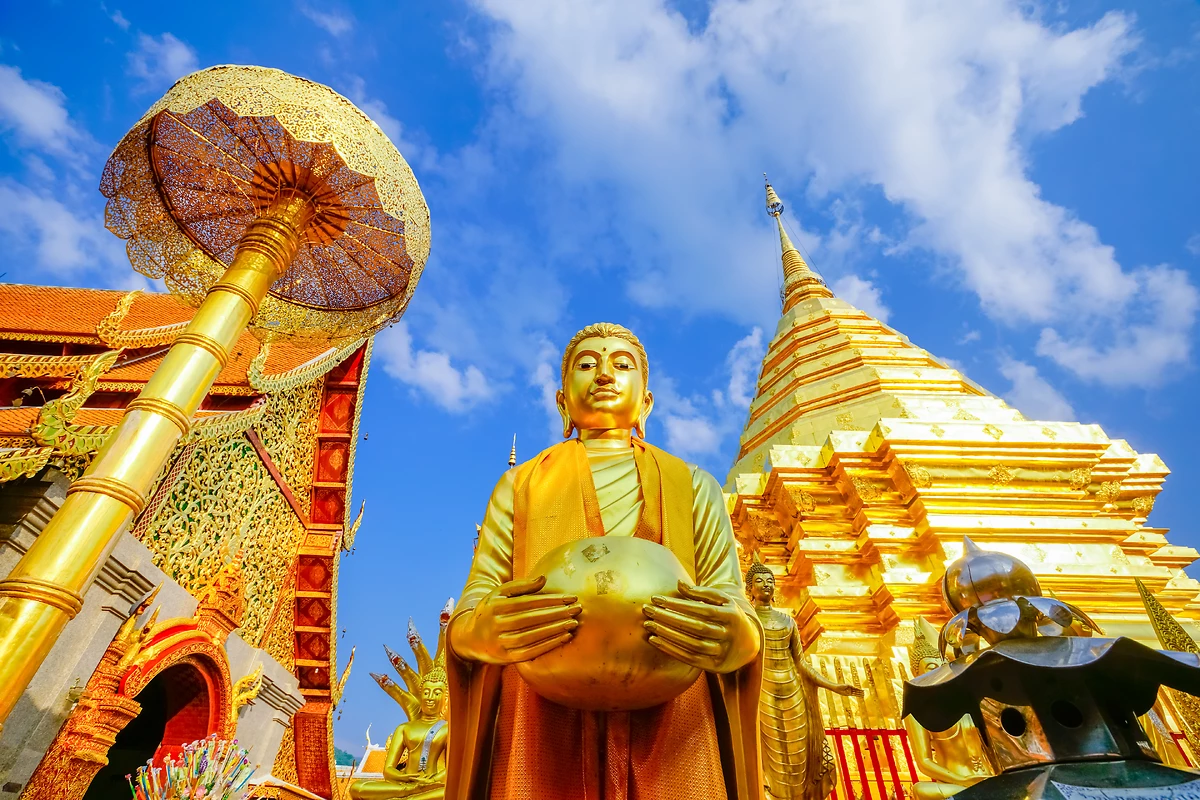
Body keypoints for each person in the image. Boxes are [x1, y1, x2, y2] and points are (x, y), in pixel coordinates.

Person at [446, 322, 764, 800]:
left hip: (675, 716)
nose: (603, 375)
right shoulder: (520, 485)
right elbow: (474, 604)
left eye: (621, 364)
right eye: (587, 364)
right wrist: (483, 629)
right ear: (562, 402)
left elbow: (729, 596)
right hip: (540, 712)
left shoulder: (694, 484)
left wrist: (736, 634)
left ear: (646, 402)